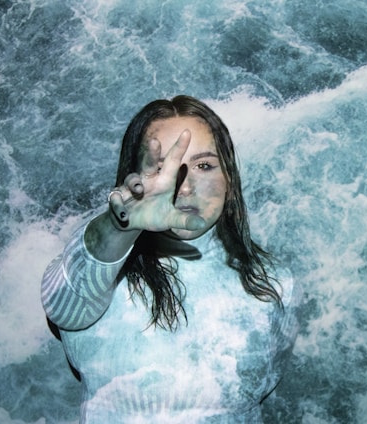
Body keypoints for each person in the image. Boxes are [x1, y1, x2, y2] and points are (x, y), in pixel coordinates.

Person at [41, 95, 300, 423]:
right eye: (163, 168)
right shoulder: (97, 270)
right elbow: (63, 302)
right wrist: (119, 226)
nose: (185, 186)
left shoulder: (275, 283)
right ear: (133, 178)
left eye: (204, 165)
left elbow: (263, 389)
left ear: (230, 182)